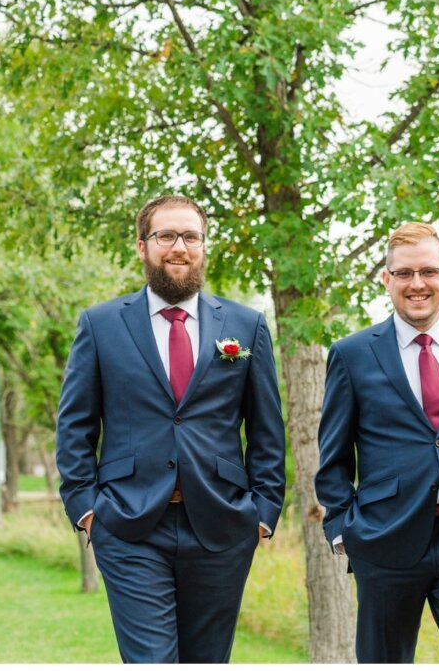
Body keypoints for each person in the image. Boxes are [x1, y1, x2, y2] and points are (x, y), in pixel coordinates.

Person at [55, 195, 286, 663]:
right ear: (142, 246)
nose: (179, 247)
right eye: (166, 236)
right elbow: (75, 424)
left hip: (222, 525)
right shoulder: (100, 325)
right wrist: (86, 509)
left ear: (203, 246)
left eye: (191, 236)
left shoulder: (246, 325)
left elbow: (266, 430)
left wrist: (262, 512)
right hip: (127, 524)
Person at [316, 221, 439, 663]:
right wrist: (345, 532)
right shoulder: (352, 354)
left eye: (428, 271)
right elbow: (332, 458)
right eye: (404, 273)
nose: (417, 283)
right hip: (384, 541)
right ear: (387, 280)